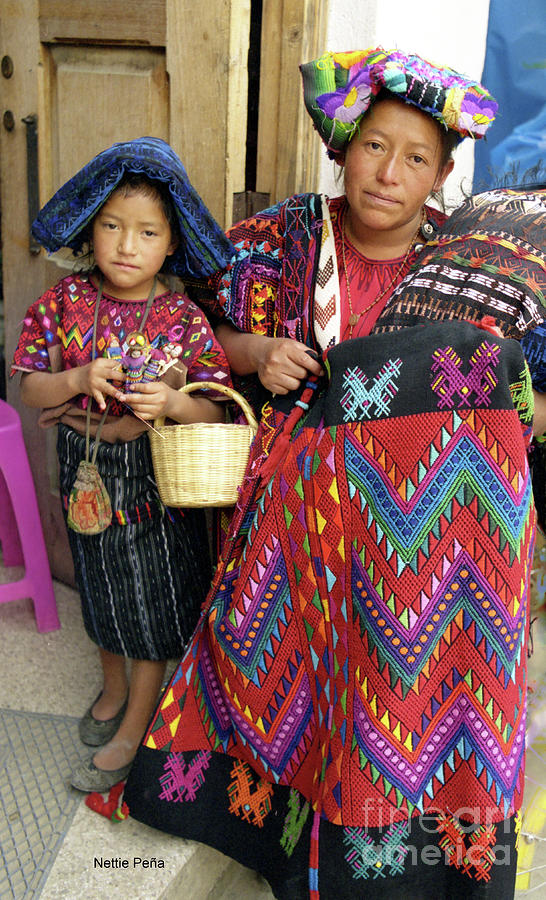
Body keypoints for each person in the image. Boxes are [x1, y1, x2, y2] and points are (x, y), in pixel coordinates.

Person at [125, 51, 545, 898]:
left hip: (420, 507)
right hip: (304, 471)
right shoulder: (282, 238)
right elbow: (190, 329)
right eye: (374, 147)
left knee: (457, 553)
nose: (389, 174)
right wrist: (255, 352)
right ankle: (296, 811)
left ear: (443, 176)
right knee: (323, 559)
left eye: (416, 158)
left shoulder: (468, 265)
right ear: (344, 147)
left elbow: (522, 401)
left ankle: (435, 819)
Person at [11, 137, 234, 793]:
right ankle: (111, 690)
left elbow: (217, 410)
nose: (125, 245)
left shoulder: (185, 322)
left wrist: (170, 400)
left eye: (146, 231)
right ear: (90, 230)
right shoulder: (63, 304)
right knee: (102, 595)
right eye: (111, 226)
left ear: (171, 244)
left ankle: (137, 723)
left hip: (155, 492)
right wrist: (76, 374)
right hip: (85, 480)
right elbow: (29, 385)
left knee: (152, 608)